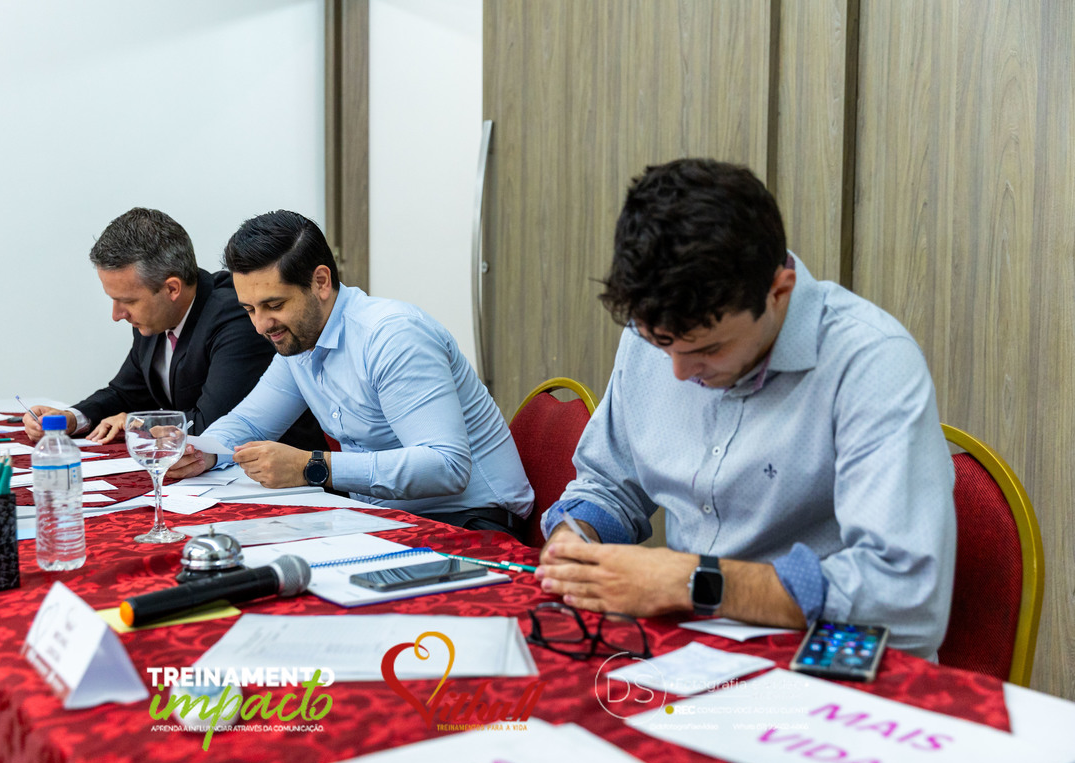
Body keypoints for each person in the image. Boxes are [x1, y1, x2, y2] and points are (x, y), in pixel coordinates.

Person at [536, 159, 956, 658]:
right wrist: (574, 539)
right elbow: (609, 484)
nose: (679, 373)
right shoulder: (659, 331)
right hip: (692, 650)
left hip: (828, 655)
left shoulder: (870, 362)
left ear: (778, 292)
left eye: (709, 349)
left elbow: (903, 598)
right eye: (661, 346)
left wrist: (697, 581)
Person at [168, 210, 534, 536]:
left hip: (472, 521)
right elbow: (249, 422)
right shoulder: (299, 340)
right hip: (385, 517)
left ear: (321, 282)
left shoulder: (393, 337)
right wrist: (203, 452)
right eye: (250, 309)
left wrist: (310, 466)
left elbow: (446, 466)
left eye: (274, 305)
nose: (261, 325)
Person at [24, 208, 324, 451]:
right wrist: (72, 418)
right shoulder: (154, 319)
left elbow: (211, 423)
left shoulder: (235, 314)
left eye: (127, 301)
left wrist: (137, 424)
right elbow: (125, 393)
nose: (117, 315)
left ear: (171, 289)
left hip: (277, 482)